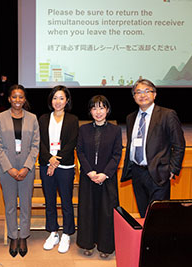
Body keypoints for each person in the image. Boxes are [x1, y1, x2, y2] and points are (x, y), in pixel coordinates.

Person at [121, 79, 186, 218]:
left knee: (159, 217)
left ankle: (160, 241)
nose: (142, 95)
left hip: (159, 173)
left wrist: (173, 169)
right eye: (138, 92)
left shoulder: (167, 115)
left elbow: (179, 144)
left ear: (154, 94)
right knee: (144, 213)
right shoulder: (130, 118)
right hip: (137, 172)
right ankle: (146, 240)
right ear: (134, 96)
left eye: (147, 91)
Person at [0, 84, 40, 257]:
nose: (18, 100)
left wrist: (27, 166)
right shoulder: (0, 118)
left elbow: (35, 145)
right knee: (11, 204)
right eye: (14, 96)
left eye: (21, 97)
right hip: (7, 168)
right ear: (9, 99)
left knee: (26, 204)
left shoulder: (32, 118)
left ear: (25, 99)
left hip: (27, 167)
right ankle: (13, 236)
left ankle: (24, 236)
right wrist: (9, 168)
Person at [76, 95, 122, 258]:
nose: (98, 112)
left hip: (107, 178)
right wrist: (89, 172)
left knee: (106, 211)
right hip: (88, 177)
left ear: (107, 110)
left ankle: (105, 246)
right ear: (90, 111)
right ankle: (87, 243)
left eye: (101, 107)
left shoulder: (115, 130)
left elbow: (117, 155)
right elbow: (80, 151)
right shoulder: (83, 129)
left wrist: (105, 174)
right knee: (88, 210)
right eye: (94, 108)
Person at [38, 85, 78, 253]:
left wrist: (56, 160)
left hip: (65, 166)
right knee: (50, 201)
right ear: (51, 100)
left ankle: (67, 233)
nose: (58, 101)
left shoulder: (73, 119)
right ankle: (53, 232)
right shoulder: (43, 118)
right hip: (46, 164)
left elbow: (71, 143)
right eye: (55, 98)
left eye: (61, 98)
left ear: (67, 100)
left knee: (66, 202)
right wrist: (49, 159)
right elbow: (39, 142)